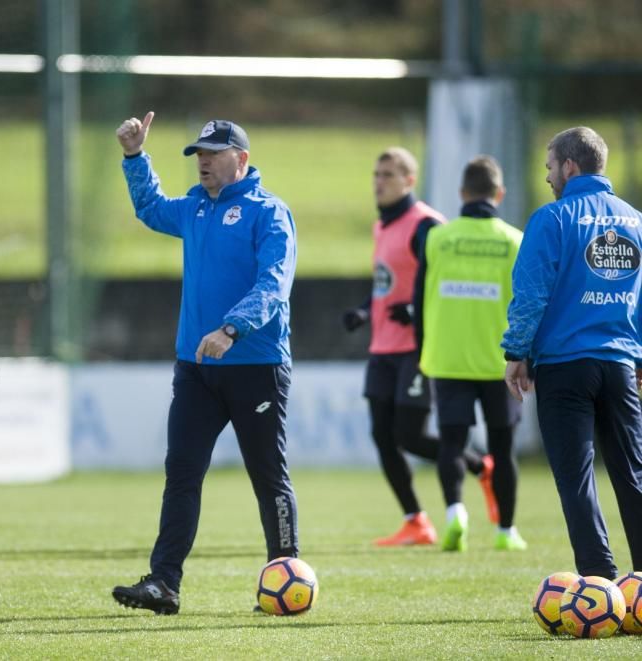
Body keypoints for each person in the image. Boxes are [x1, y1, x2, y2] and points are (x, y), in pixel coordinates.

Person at [110, 113, 300, 615]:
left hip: (254, 364)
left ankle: (287, 575)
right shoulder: (195, 207)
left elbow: (273, 285)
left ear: (241, 159)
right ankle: (163, 583)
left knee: (266, 475)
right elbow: (150, 208)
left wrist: (231, 328)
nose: (203, 163)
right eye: (199, 155)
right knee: (183, 472)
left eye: (213, 155)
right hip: (195, 367)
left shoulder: (269, 213)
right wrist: (135, 157)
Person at [502, 126, 642, 579]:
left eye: (549, 166)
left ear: (569, 166)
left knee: (576, 478)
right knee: (633, 474)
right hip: (620, 364)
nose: (546, 177)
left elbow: (530, 294)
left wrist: (516, 351)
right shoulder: (635, 221)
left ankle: (599, 581)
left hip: (565, 367)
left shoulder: (552, 219)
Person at [342, 147, 497, 546]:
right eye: (376, 174)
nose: (379, 181)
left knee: (409, 435)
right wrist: (363, 312)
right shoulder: (383, 227)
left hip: (417, 348)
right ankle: (416, 520)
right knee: (382, 435)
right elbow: (386, 284)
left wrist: (414, 310)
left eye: (388, 174)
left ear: (409, 181)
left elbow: (444, 279)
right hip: (382, 349)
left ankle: (482, 465)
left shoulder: (426, 224)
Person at [413, 155, 526, 553]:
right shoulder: (515, 240)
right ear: (499, 194)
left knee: (451, 442)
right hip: (500, 361)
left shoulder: (438, 238)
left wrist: (422, 350)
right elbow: (528, 302)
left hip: (449, 356)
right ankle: (505, 531)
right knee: (502, 448)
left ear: (462, 194)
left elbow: (418, 298)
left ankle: (454, 512)